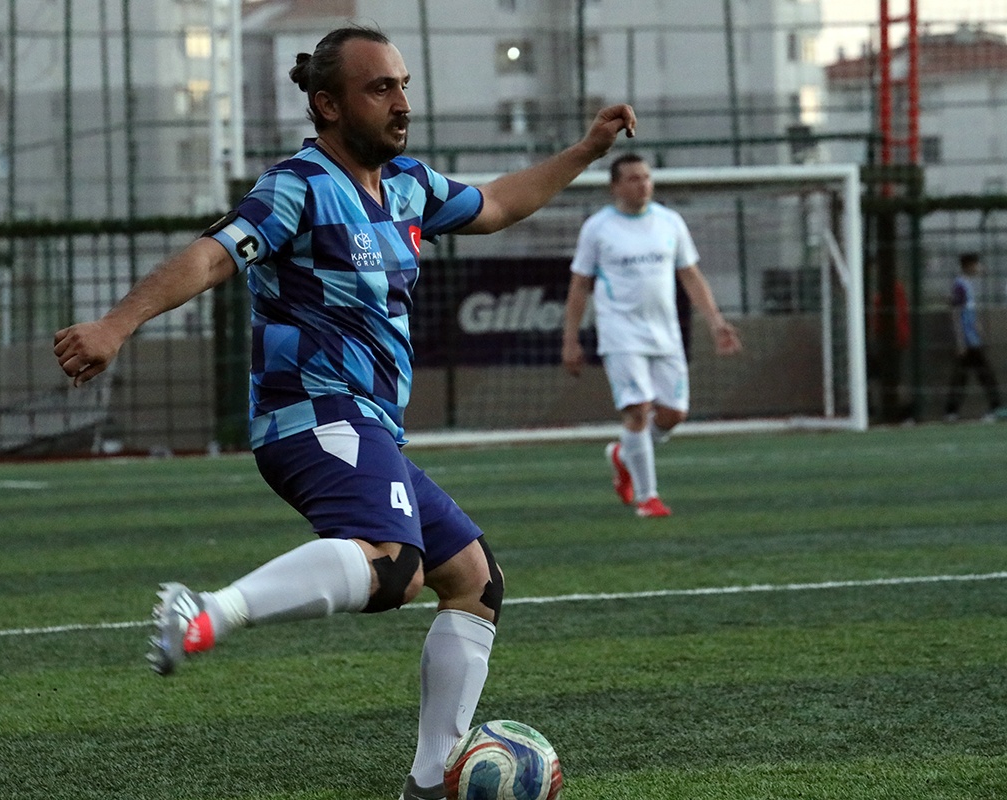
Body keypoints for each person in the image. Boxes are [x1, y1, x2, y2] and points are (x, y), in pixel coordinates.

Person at [53, 25, 636, 800]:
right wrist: (117, 323)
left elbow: (496, 204)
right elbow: (214, 254)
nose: (401, 103)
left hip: (368, 426)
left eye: (402, 85)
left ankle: (428, 785)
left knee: (475, 581)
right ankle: (207, 612)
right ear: (328, 105)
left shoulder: (408, 185)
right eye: (380, 88)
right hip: (312, 414)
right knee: (395, 568)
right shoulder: (298, 186)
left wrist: (586, 150)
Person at [561, 153, 741, 518]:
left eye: (646, 177)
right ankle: (648, 498)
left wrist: (716, 322)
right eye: (633, 178)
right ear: (615, 186)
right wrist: (570, 339)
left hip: (665, 334)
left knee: (673, 414)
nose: (642, 184)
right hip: (620, 333)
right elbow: (580, 285)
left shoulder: (670, 222)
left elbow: (690, 275)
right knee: (638, 409)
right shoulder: (598, 228)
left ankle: (624, 454)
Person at [943, 252, 1004, 422]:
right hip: (968, 341)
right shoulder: (960, 285)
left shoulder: (967, 285)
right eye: (977, 265)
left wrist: (977, 326)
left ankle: (952, 411)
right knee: (982, 374)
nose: (979, 268)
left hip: (972, 339)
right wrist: (960, 342)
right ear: (969, 265)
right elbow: (956, 313)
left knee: (965, 375)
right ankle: (995, 408)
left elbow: (967, 311)